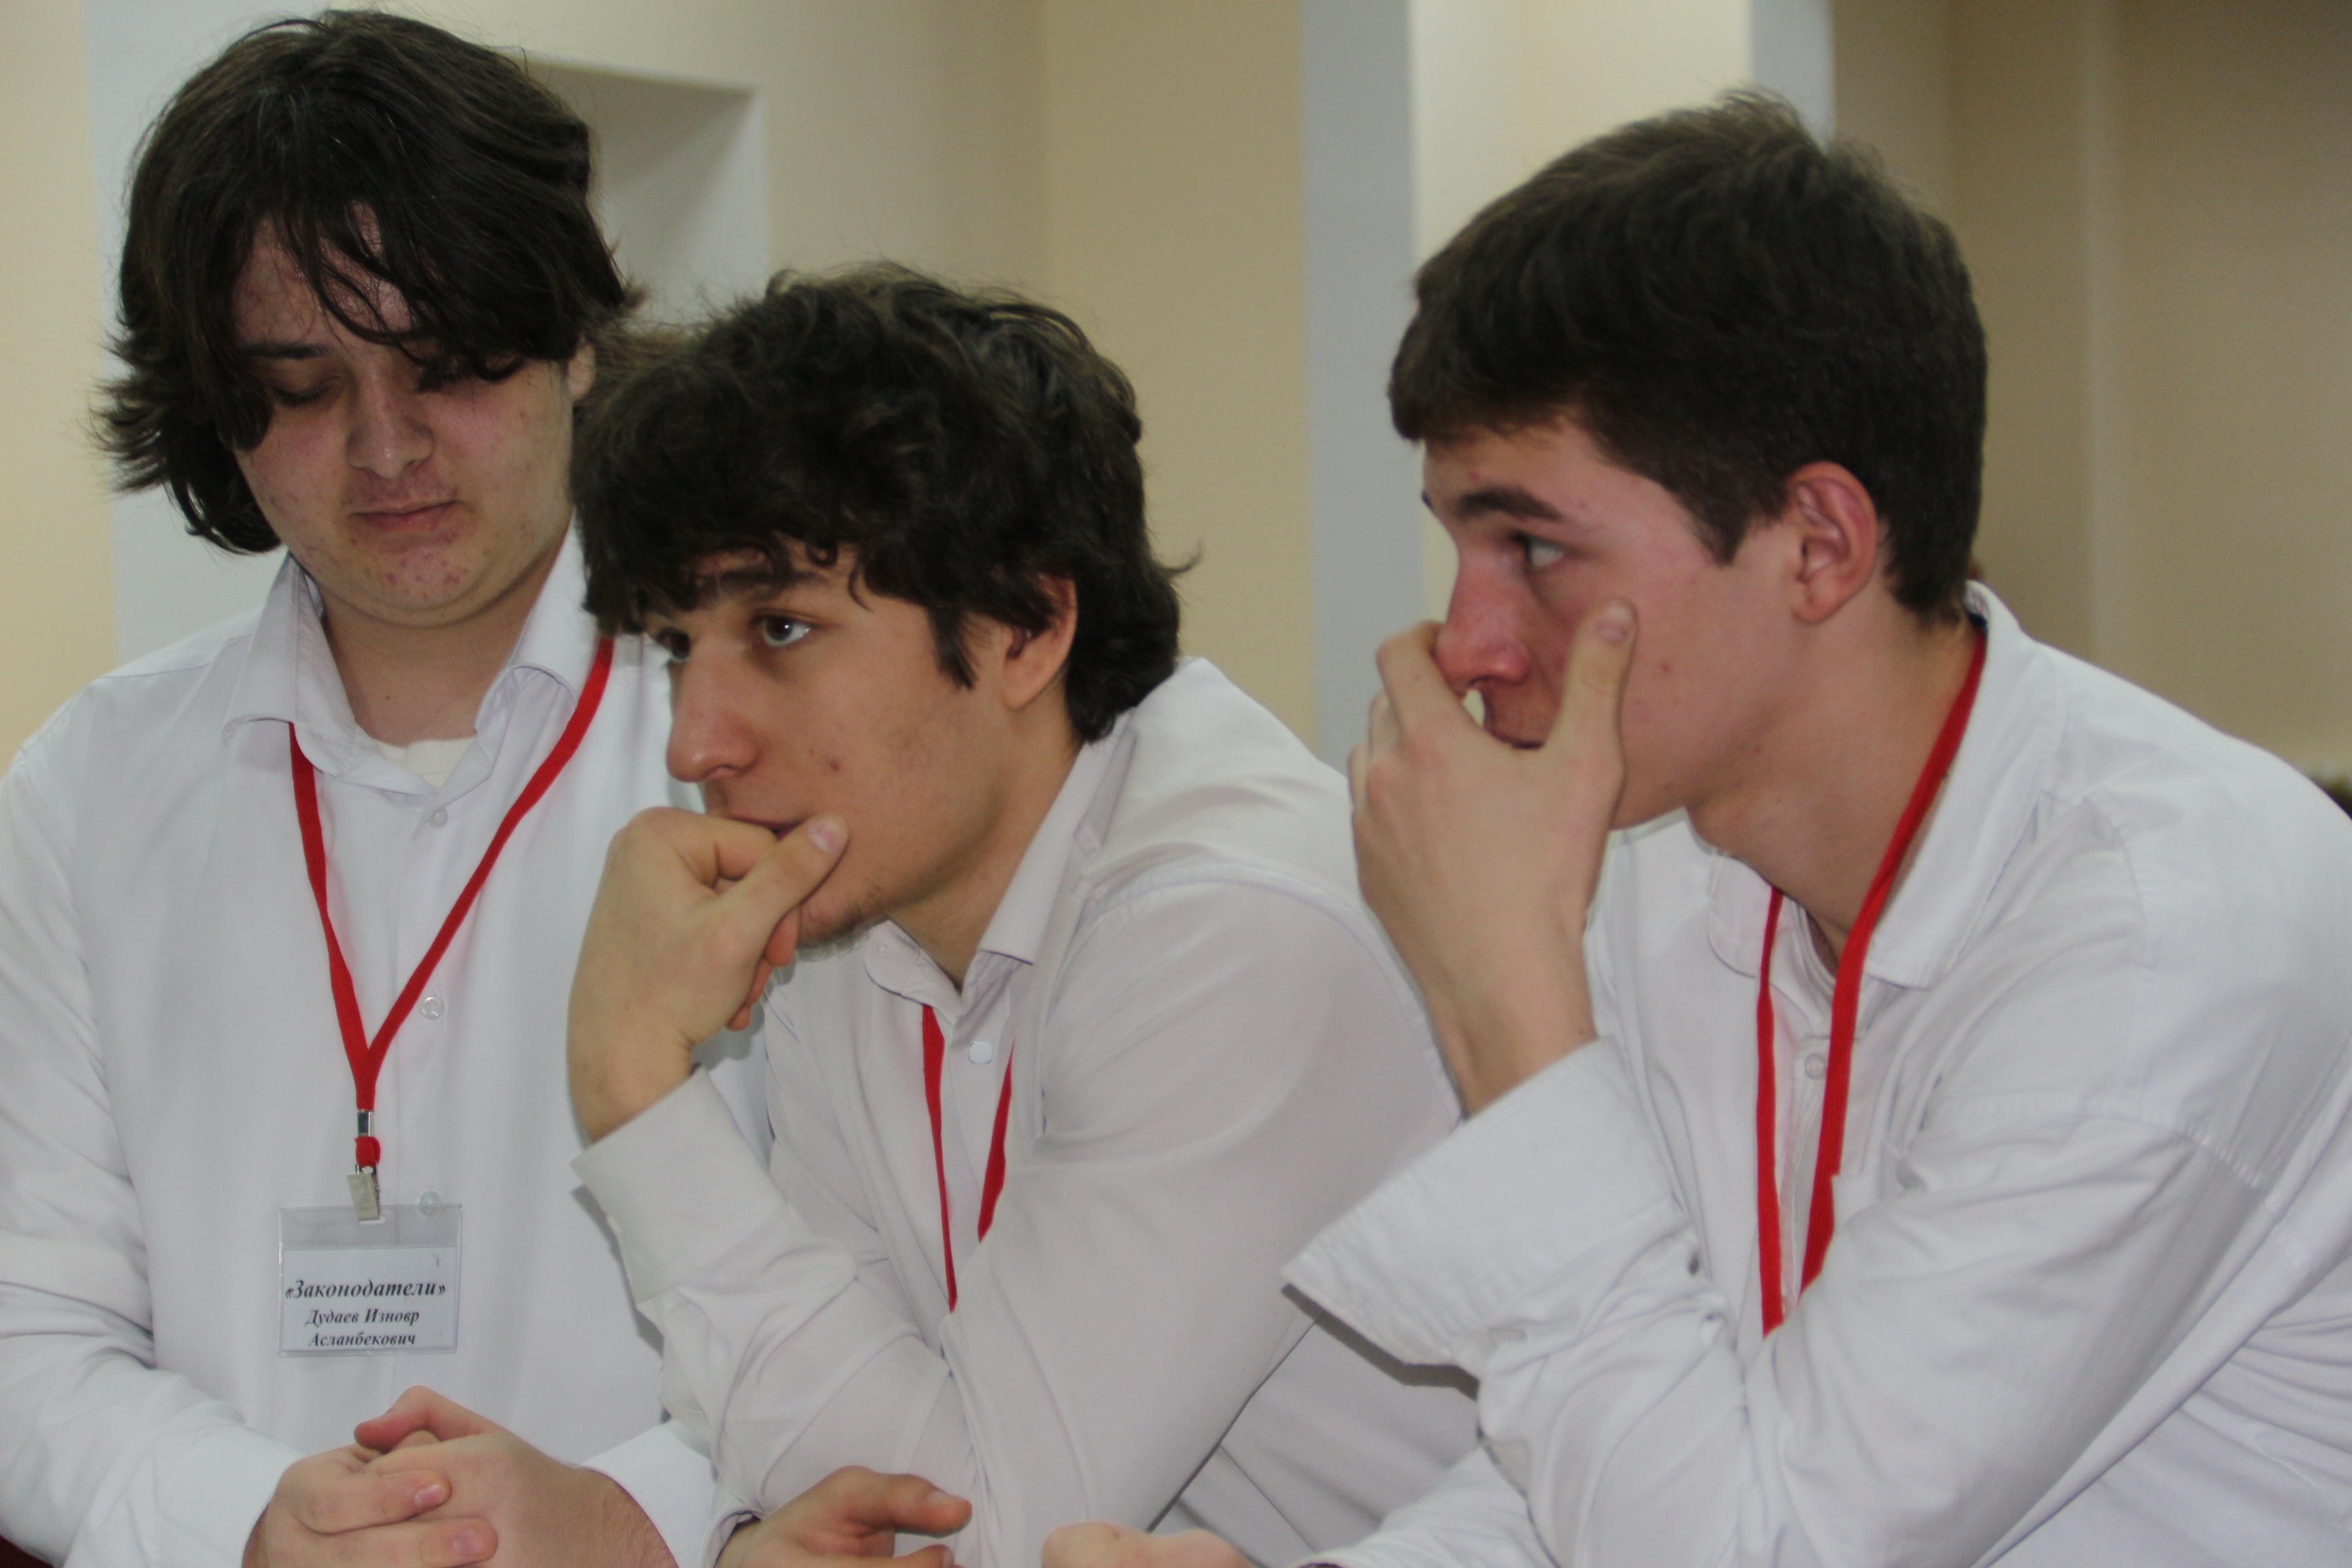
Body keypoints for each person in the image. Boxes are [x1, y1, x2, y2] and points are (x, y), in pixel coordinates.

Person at [1049, 93, 2352, 1568]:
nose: (1467, 641)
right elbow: (1617, 1447)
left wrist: (1512, 1008)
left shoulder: (2165, 939)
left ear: (1820, 545)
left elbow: (1754, 1543)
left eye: (1534, 545)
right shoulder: (1675, 874)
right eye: (1458, 543)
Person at [560, 265, 1481, 1568]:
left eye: (781, 629)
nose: (696, 742)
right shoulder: (855, 918)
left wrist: (631, 1087)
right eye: (676, 647)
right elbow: (865, 1463)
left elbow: (985, 1532)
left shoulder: (1232, 925)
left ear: (1028, 627)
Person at [0, 13, 767, 1567]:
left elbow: (912, 1291)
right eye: (300, 388)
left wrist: (629, 1515)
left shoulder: (759, 741)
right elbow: (28, 1326)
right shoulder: (93, 786)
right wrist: (246, 1519)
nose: (386, 447)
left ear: (573, 340)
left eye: (447, 367)